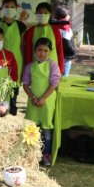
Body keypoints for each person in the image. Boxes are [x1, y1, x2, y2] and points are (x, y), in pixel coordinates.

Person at [22, 37, 61, 166]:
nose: (42, 53)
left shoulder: (53, 65)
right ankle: (31, 155)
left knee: (46, 129)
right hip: (33, 102)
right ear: (35, 51)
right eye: (39, 50)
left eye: (45, 50)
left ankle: (46, 155)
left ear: (50, 52)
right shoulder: (30, 67)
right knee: (32, 129)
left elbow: (54, 83)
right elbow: (26, 84)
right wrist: (33, 97)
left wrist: (43, 98)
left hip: (47, 102)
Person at [0, 0, 26, 115]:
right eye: (6, 7)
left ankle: (11, 116)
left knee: (12, 95)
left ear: (17, 8)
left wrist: (23, 67)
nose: (9, 9)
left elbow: (22, 47)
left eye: (12, 7)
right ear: (2, 8)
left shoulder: (21, 26)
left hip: (15, 64)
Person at [22, 2, 64, 74]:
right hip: (35, 69)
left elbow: (60, 50)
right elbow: (28, 52)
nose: (42, 15)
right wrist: (28, 69)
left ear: (50, 14)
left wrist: (61, 69)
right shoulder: (31, 31)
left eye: (45, 13)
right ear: (36, 14)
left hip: (53, 69)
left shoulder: (55, 31)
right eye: (40, 13)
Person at [54, 6, 76, 76]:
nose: (69, 16)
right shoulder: (65, 27)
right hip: (65, 57)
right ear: (65, 16)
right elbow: (67, 43)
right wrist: (73, 53)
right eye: (68, 15)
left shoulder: (53, 25)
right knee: (63, 78)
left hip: (55, 55)